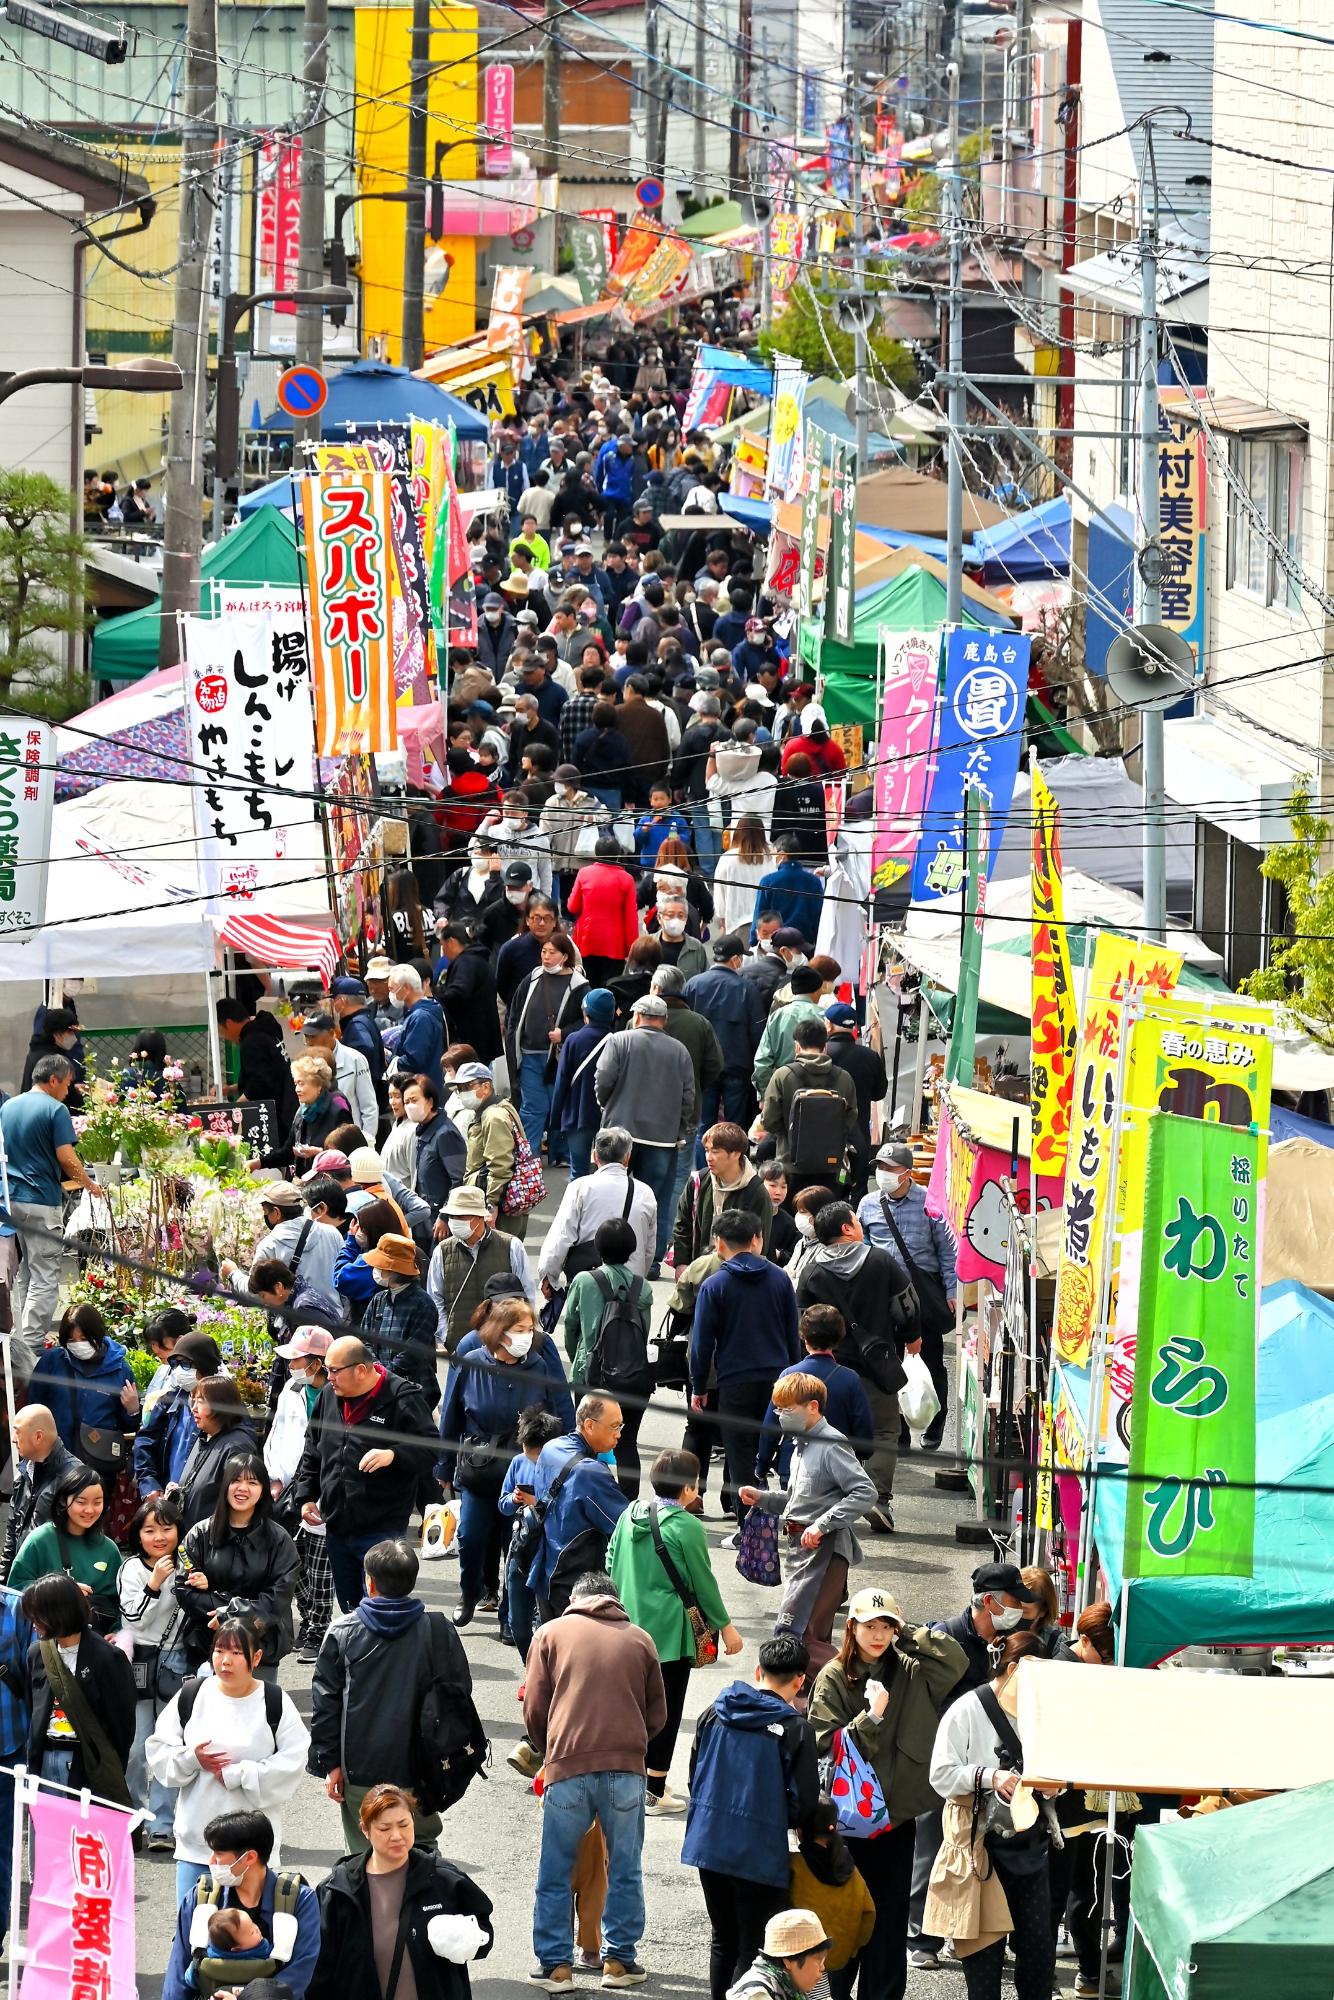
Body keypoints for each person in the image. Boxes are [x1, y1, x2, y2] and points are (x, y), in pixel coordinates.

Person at [807, 1590, 968, 2000]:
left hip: (897, 1816)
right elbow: (824, 1743)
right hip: (849, 1821)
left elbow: (955, 1661)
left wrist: (909, 1632)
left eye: (885, 1626)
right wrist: (871, 1717)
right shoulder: (834, 1675)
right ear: (851, 1628)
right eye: (869, 1626)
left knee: (890, 1918)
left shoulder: (912, 1669)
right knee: (843, 1918)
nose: (877, 1635)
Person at [525, 1570, 667, 1990]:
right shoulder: (640, 1639)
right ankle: (619, 1962)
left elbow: (535, 1708)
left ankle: (555, 1967)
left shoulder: (549, 1634)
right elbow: (657, 1714)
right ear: (614, 1601)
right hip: (626, 1771)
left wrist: (549, 1748)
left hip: (567, 1766)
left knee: (555, 1868)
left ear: (576, 1598)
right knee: (623, 1866)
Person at [907, 1562, 1044, 1968]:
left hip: (1000, 1775)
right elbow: (922, 1702)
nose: (1020, 1609)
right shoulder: (945, 1638)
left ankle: (968, 1932)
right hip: (950, 1761)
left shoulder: (1014, 1643)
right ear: (989, 1601)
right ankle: (922, 1936)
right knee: (934, 1848)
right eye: (1014, 1602)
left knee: (983, 1858)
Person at [308, 1537, 474, 1850]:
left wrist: (329, 1764)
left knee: (363, 1852)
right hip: (423, 1769)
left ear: (369, 1582)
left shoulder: (343, 1631)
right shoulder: (437, 1629)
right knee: (421, 1847)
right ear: (412, 1581)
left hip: (359, 1768)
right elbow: (460, 1693)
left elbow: (326, 1704)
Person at [682, 1635, 820, 2000]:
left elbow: (695, 1775)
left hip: (708, 1843)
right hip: (759, 1850)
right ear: (799, 1680)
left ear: (758, 1670)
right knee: (753, 1946)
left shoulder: (715, 1711)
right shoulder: (796, 1730)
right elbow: (804, 1802)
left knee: (722, 1939)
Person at [608, 1449, 742, 1812]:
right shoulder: (686, 1526)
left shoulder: (629, 1514)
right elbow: (702, 1583)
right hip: (668, 1633)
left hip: (625, 1627)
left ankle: (626, 1779)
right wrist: (726, 1628)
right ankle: (654, 1789)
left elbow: (609, 1559)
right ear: (687, 1488)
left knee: (632, 1706)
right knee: (664, 1709)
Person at [927, 1631, 1057, 2000]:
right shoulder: (966, 1709)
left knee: (1038, 1953)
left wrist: (1051, 1786)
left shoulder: (1040, 1713)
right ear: (1013, 1669)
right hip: (979, 1848)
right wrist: (987, 1775)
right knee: (984, 1963)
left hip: (1030, 1842)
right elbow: (940, 1775)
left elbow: (1052, 1769)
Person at [148, 1619, 310, 1906]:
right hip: (198, 1846)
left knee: (250, 1936)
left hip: (252, 1851)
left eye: (236, 1653)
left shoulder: (274, 1701)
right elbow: (159, 1749)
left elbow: (294, 1760)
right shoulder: (193, 1694)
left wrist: (242, 1774)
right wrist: (192, 1758)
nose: (225, 1661)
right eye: (219, 1650)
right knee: (193, 1935)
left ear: (256, 1658)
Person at [436, 1297, 574, 1626]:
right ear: (500, 1332)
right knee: (470, 1536)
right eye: (519, 1330)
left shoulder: (538, 1367)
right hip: (478, 1467)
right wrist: (442, 1466)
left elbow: (558, 1415)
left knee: (514, 1542)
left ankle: (509, 1616)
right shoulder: (471, 1363)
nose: (527, 1336)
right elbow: (450, 1417)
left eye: (530, 1329)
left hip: (523, 1469)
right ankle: (471, 1592)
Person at [797, 1204, 921, 1536]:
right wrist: (911, 1336)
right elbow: (907, 1306)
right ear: (848, 1229)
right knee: (883, 1431)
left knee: (828, 1434)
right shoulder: (880, 1260)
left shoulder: (812, 1271)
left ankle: (827, 1501)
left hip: (827, 1370)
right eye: (856, 1220)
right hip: (876, 1365)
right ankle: (877, 1498)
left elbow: (801, 1318)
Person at [307, 1782, 494, 2000]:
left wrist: (465, 1938)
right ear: (365, 1830)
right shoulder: (338, 1890)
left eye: (403, 1824)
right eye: (385, 1828)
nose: (396, 1835)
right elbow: (320, 1968)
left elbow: (485, 1936)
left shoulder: (443, 1878)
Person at [293, 1336, 439, 1613]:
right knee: (350, 1607)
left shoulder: (401, 1397)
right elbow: (313, 1449)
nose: (329, 1376)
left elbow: (431, 1448)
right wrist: (306, 1496)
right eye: (327, 1369)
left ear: (361, 1369)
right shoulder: (328, 1396)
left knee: (382, 1606)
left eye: (335, 1370)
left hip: (381, 1526)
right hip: (336, 1524)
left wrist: (393, 1455)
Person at [739, 1375, 875, 1668]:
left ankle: (847, 1683)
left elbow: (865, 1492)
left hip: (824, 1551)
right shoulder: (799, 1447)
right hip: (800, 1550)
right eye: (778, 1410)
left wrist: (822, 1524)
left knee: (801, 1635)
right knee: (806, 1634)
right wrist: (761, 1497)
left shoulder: (831, 1444)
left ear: (813, 1407)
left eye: (787, 1409)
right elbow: (795, 1501)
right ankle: (817, 1698)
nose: (781, 1416)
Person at [690, 1210, 799, 1535]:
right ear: (757, 1240)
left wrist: (699, 1384)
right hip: (779, 1381)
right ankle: (790, 1514)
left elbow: (702, 1343)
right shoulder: (780, 1278)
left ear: (718, 1243)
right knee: (782, 1449)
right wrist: (796, 1378)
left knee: (740, 1455)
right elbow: (792, 1333)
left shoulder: (715, 1285)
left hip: (735, 1381)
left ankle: (748, 1527)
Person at [0, 1054, 104, 1374]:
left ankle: (18, 1339)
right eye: (68, 1084)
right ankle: (30, 1347)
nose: (68, 1091)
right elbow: (66, 1156)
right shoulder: (55, 1109)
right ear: (54, 1079)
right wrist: (90, 1183)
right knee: (45, 1275)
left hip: (10, 1201)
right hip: (41, 1201)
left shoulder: (8, 1107)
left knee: (24, 1275)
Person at [159, 1807, 322, 2000]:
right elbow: (179, 1972)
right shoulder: (201, 1897)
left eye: (218, 1853)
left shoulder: (298, 1900)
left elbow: (299, 1973)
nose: (211, 1861)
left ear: (250, 1857)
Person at [858, 1143, 955, 1451]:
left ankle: (935, 1422)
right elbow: (863, 1247)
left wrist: (952, 1292)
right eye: (880, 1168)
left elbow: (947, 1253)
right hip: (883, 1298)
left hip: (922, 1295)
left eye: (890, 1169)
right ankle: (898, 1430)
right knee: (889, 1362)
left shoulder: (931, 1204)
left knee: (930, 1361)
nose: (883, 1174)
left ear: (907, 1173)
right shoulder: (868, 1204)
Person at [594, 994, 696, 1272]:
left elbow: (603, 1078)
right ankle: (650, 1262)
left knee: (612, 1194)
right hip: (662, 1138)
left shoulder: (619, 1040)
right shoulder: (679, 1050)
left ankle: (608, 1255)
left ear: (637, 1016)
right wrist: (680, 1127)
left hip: (618, 1132)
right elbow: (688, 1096)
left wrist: (608, 1106)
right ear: (664, 1020)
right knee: (655, 1201)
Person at [177, 1451, 300, 1676]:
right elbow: (184, 1589)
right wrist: (225, 1608)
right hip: (208, 1646)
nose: (242, 1488)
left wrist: (230, 1612)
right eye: (235, 1480)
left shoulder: (280, 1540)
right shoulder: (200, 1534)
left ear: (263, 1489)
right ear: (224, 1486)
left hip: (260, 1649)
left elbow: (277, 1600)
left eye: (252, 1482)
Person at [20, 1573, 136, 1803]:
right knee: (45, 1836)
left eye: (38, 1614)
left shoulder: (107, 1657)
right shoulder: (37, 1653)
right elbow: (31, 1706)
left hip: (86, 1765)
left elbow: (122, 1726)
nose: (33, 1621)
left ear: (58, 1612)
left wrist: (108, 1768)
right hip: (43, 1760)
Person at [562, 1217, 654, 1496]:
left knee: (587, 1442)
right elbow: (644, 1332)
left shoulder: (584, 1281)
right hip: (634, 1377)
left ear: (598, 1248)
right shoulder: (643, 1287)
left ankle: (588, 1498)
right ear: (631, 1249)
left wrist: (580, 1359)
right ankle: (627, 1507)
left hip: (592, 1376)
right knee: (627, 1444)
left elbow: (570, 1327)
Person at [118, 1495, 190, 1849]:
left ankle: (163, 1823)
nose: (159, 1536)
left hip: (176, 1662)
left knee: (170, 1743)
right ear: (138, 1535)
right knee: (135, 1747)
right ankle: (134, 1816)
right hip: (138, 1662)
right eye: (150, 1530)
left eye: (166, 1528)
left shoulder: (188, 1564)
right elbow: (134, 1618)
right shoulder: (130, 1569)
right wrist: (155, 1583)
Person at [525, 1396, 631, 1622]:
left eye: (620, 1426)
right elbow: (626, 1525)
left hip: (545, 1570)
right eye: (614, 1427)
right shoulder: (590, 1473)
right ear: (589, 1425)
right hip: (577, 1585)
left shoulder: (552, 1448)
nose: (619, 1434)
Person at [263, 1329, 333, 1663]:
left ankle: (319, 1627)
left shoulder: (335, 1394)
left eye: (298, 1359)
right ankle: (310, 1619)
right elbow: (277, 1433)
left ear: (317, 1363)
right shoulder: (292, 1390)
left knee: (319, 1568)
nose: (291, 1364)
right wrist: (274, 1476)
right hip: (289, 1491)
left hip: (324, 1493)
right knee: (293, 1564)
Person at [755, 1308, 874, 1481]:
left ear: (804, 1337)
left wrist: (763, 1463)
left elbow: (770, 1427)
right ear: (839, 1337)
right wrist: (857, 1455)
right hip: (838, 1469)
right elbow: (864, 1430)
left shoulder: (788, 1376)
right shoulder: (850, 1379)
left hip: (794, 1466)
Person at [539, 1125, 657, 1296]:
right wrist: (640, 1276)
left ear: (595, 1156)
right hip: (631, 1286)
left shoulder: (580, 1188)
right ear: (627, 1157)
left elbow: (562, 1236)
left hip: (587, 1282)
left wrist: (548, 1276)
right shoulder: (645, 1193)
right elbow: (649, 1246)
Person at [505, 930, 589, 1168]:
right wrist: (513, 1042)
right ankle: (528, 1158)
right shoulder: (532, 978)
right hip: (530, 1053)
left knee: (558, 1105)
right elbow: (515, 1011)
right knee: (533, 1107)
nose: (547, 957)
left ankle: (560, 1152)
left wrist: (565, 1033)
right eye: (544, 951)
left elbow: (587, 1021)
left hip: (559, 1057)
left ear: (565, 956)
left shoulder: (580, 986)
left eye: (553, 952)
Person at [10, 1462, 124, 1632]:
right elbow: (15, 1590)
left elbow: (120, 1604)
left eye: (97, 1502)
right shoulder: (40, 1539)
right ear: (64, 1500)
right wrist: (58, 1593)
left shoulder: (109, 1549)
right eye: (81, 1501)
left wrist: (116, 1633)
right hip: (46, 1641)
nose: (90, 1510)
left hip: (95, 1643)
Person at [26, 1300, 140, 1468]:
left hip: (98, 1464)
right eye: (71, 1340)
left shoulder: (120, 1369)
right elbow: (33, 1405)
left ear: (97, 1334)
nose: (78, 1344)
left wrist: (133, 1410)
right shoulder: (53, 1361)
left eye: (84, 1338)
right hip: (54, 1462)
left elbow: (127, 1426)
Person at [426, 1184, 536, 1352]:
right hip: (460, 1346)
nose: (455, 1222)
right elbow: (435, 1298)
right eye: (452, 1216)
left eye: (462, 1217)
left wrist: (524, 1333)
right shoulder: (442, 1251)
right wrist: (445, 1335)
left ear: (480, 1218)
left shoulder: (511, 1246)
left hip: (504, 1344)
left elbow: (527, 1294)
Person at [758, 1019, 858, 1190]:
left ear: (797, 1046)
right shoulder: (844, 1077)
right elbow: (850, 1118)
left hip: (791, 1165)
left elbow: (769, 1121)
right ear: (825, 1046)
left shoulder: (783, 1075)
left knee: (794, 1215)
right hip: (831, 1165)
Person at [788, 1805, 877, 1992]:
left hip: (799, 1956)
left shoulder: (795, 1866)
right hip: (838, 1954)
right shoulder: (850, 1868)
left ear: (800, 1830)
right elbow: (869, 1913)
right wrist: (852, 1948)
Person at [684, 937, 767, 1131]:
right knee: (734, 1126)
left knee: (703, 1126)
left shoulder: (693, 984)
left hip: (703, 1066)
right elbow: (757, 1032)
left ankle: (704, 1161)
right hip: (737, 1066)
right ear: (735, 959)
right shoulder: (746, 988)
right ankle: (732, 1161)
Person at [133, 1332, 227, 1501]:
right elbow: (145, 1443)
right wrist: (150, 1485)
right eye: (175, 1364)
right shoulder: (168, 1401)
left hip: (202, 1505)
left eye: (185, 1364)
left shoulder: (226, 1407)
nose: (177, 1371)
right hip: (167, 1500)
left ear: (204, 1366)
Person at [358, 1232, 440, 1408]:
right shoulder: (378, 1299)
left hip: (414, 1390)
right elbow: (365, 1340)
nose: (376, 1270)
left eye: (380, 1266)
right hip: (377, 1386)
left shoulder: (423, 1303)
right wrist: (376, 1369)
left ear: (394, 1270)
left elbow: (414, 1351)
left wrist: (383, 1374)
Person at [675, 1123, 773, 1270]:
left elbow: (759, 1241)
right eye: (707, 1150)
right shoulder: (699, 1181)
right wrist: (681, 1263)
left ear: (736, 1153)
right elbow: (683, 1224)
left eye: (715, 1151)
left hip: (737, 1273)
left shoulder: (755, 1191)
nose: (709, 1157)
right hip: (699, 1267)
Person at [455, 1061, 533, 1242]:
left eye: (468, 1086)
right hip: (508, 1201)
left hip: (501, 1206)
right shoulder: (500, 1108)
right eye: (460, 1088)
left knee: (498, 1259)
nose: (463, 1093)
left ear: (486, 1086)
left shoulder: (493, 1116)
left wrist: (491, 1205)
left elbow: (500, 1165)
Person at [1, 1403, 79, 1580]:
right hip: (23, 1580)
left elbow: (83, 1538)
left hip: (53, 1587)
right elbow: (13, 1530)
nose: (13, 1439)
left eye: (18, 1431)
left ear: (38, 1437)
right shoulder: (25, 1472)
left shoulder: (74, 1477)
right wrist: (4, 1580)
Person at [549, 987, 618, 1179]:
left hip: (577, 1115)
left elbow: (562, 1080)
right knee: (608, 1174)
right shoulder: (617, 1041)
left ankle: (577, 1209)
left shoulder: (574, 1039)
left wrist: (555, 1120)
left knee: (578, 1174)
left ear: (587, 1013)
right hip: (608, 1117)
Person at [175, 1377, 260, 1530]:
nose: (194, 1408)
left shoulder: (237, 1447)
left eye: (201, 1401)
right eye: (194, 1401)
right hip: (195, 1542)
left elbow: (240, 1504)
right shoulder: (207, 1437)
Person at [567, 838, 640, 986]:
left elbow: (572, 907)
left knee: (586, 987)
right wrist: (632, 949)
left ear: (596, 854)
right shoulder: (626, 879)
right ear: (618, 855)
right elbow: (631, 919)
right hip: (615, 945)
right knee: (610, 991)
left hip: (587, 941)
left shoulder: (584, 873)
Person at [216, 1000, 297, 1130]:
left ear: (229, 1023)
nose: (224, 1037)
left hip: (276, 1115)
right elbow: (267, 1072)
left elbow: (260, 1083)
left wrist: (233, 1110)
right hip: (287, 1102)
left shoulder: (252, 1041)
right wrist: (231, 1089)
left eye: (221, 1031)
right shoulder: (264, 1030)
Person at [753, 968, 828, 1099]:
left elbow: (762, 1060)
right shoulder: (823, 1016)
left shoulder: (777, 1016)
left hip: (781, 1087)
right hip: (817, 1090)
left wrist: (765, 1094)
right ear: (816, 990)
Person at [435, 924, 504, 1065]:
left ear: (452, 942)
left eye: (443, 946)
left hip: (473, 1036)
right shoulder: (476, 959)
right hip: (484, 1033)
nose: (444, 952)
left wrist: (436, 996)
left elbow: (458, 992)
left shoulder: (466, 962)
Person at [300, 1015, 378, 1140]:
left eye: (313, 1036)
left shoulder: (355, 1059)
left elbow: (368, 1106)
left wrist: (366, 1142)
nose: (309, 1042)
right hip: (315, 1140)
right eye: (306, 1036)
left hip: (348, 1140)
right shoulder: (305, 1062)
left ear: (332, 1033)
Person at [403, 1073, 469, 1221]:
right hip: (426, 1214)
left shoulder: (445, 1134)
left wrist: (445, 1216)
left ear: (430, 1101)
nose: (409, 1106)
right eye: (406, 1102)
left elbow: (459, 1180)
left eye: (414, 1100)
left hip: (441, 1218)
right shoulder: (422, 1131)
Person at [752, 832, 824, 943]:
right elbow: (818, 916)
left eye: (774, 854)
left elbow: (760, 914)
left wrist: (753, 940)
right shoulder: (814, 881)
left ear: (782, 855)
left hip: (775, 943)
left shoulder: (768, 881)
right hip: (805, 944)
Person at [386, 966, 446, 1096]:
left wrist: (389, 1058)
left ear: (406, 988)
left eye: (392, 989)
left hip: (423, 1092)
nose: (390, 993)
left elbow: (414, 1061)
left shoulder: (420, 1017)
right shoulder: (422, 1012)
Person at [381, 1074, 418, 1185]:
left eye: (397, 1096)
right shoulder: (397, 1124)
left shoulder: (414, 1130)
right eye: (390, 1096)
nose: (392, 1102)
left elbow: (415, 1173)